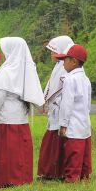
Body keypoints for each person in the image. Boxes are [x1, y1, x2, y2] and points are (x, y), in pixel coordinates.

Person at [0, 37, 44, 189]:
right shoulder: (25, 69)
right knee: (20, 150)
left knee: (8, 151)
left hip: (6, 117)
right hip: (21, 116)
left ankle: (7, 180)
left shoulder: (7, 70)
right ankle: (23, 178)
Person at [37, 35, 74, 180]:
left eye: (54, 51)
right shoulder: (58, 66)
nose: (52, 54)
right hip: (55, 108)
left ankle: (56, 172)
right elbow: (50, 86)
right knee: (52, 141)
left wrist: (48, 101)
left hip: (60, 108)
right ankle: (51, 172)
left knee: (57, 140)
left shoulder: (65, 67)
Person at [55, 44, 92, 183]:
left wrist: (63, 124)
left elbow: (67, 103)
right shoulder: (85, 79)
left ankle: (72, 178)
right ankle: (84, 176)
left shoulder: (70, 79)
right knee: (84, 153)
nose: (63, 63)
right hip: (84, 122)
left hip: (73, 123)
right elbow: (88, 103)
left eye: (65, 59)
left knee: (73, 153)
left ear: (74, 61)